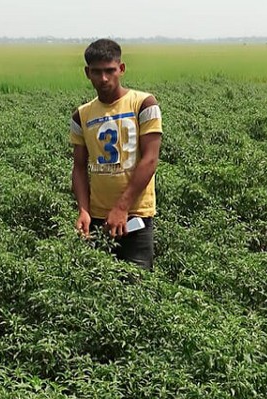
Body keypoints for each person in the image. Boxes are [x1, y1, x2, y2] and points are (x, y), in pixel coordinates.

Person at [70, 38, 162, 270]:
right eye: (96, 72)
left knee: (137, 288)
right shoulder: (81, 115)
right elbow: (79, 167)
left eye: (110, 71)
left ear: (121, 69)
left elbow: (150, 160)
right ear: (87, 73)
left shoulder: (143, 104)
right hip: (98, 218)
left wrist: (122, 208)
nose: (103, 78)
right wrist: (83, 210)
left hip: (135, 216)